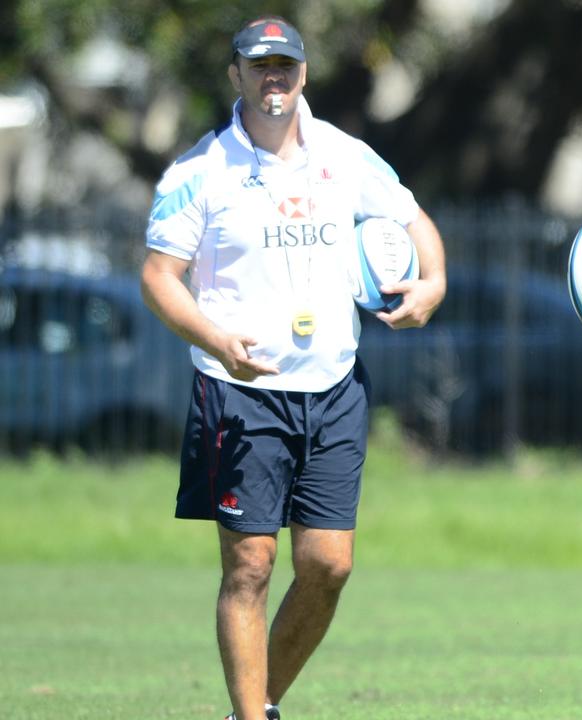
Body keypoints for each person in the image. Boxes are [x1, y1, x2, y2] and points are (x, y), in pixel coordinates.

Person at [140, 16, 446, 720]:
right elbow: (159, 276)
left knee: (328, 566)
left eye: (285, 65)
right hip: (240, 391)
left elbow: (414, 220)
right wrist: (216, 340)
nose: (273, 77)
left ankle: (259, 702)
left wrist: (433, 283)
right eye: (259, 66)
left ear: (303, 74)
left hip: (335, 388)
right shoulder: (199, 172)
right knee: (249, 565)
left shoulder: (345, 156)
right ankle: (255, 716)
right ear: (236, 76)